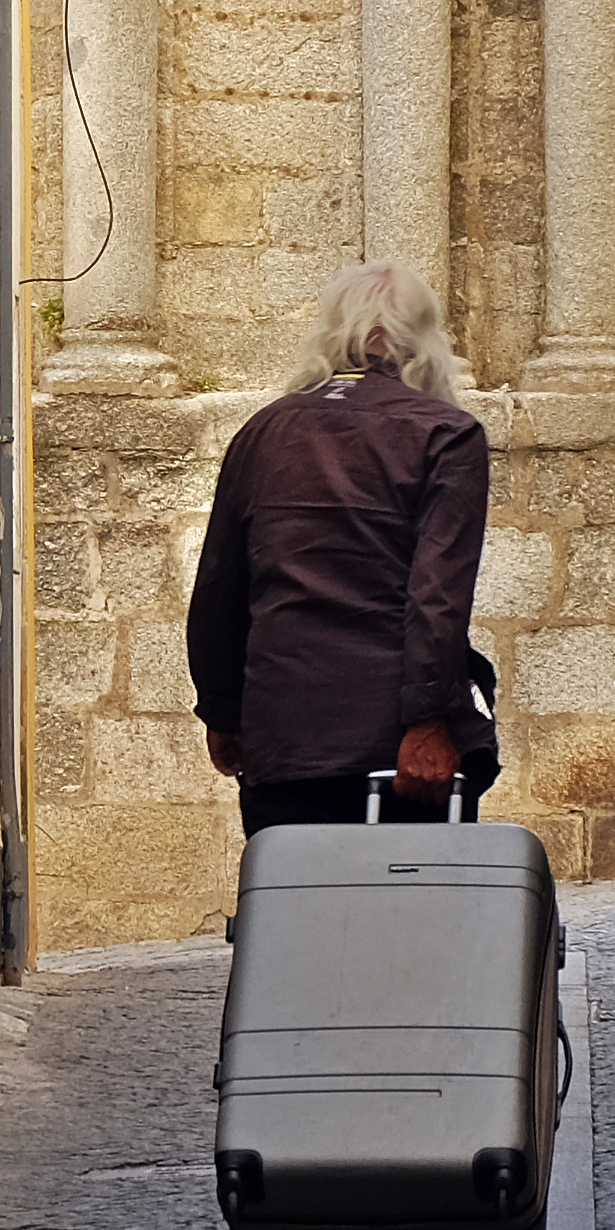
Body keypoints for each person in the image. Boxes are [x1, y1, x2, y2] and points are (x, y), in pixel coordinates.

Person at [187, 259, 492, 831]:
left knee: (293, 906)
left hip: (285, 733)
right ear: (425, 338)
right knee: (414, 913)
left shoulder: (264, 430)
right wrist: (428, 722)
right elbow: (438, 597)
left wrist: (224, 712)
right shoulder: (446, 433)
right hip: (398, 748)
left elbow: (218, 589)